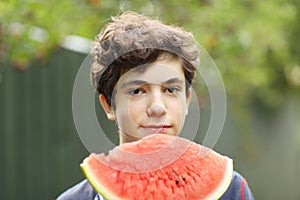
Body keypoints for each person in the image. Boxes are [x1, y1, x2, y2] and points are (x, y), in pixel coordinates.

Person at [57, 11, 254, 200]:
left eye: (170, 90)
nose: (158, 107)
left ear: (186, 100)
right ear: (109, 105)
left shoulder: (232, 191)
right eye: (137, 91)